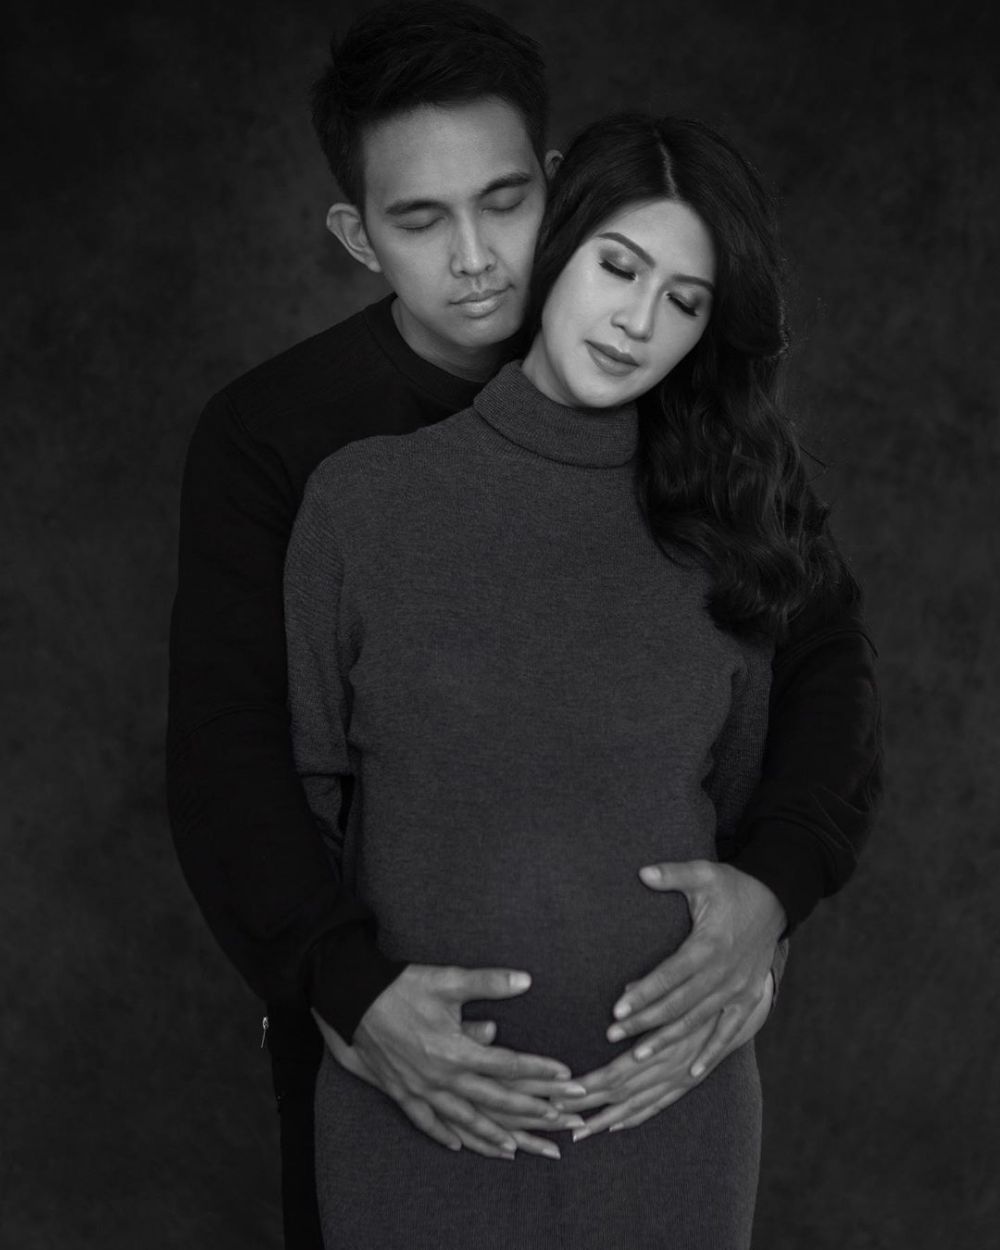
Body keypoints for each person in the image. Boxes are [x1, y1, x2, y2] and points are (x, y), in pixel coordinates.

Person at [166, 3, 882, 1245]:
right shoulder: (290, 445)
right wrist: (344, 985)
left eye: (504, 202)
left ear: (556, 187)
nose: (477, 258)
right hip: (385, 1045)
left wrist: (771, 891)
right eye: (420, 220)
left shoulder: (699, 435)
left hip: (660, 1099)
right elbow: (236, 757)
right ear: (357, 234)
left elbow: (822, 676)